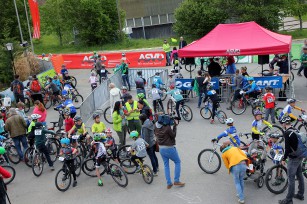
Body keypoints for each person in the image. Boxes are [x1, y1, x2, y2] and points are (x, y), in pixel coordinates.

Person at [278, 116, 305, 204]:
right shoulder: (295, 129)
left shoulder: (287, 133)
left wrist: (283, 159)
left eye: (282, 123)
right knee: (300, 175)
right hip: (300, 155)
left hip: (293, 158)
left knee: (291, 178)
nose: (282, 125)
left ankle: (289, 200)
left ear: (284, 124)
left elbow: (287, 149)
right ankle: (300, 194)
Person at [154, 114, 184, 189]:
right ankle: (176, 180)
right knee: (177, 162)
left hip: (161, 149)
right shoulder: (167, 127)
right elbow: (173, 135)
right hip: (169, 148)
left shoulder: (155, 126)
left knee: (166, 165)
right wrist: (175, 126)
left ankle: (169, 183)